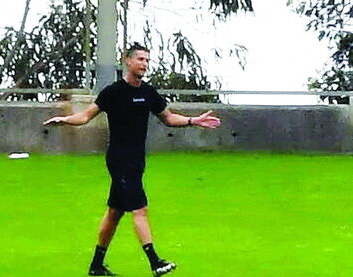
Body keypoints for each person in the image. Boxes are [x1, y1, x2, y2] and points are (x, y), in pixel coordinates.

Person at [44, 44, 221, 276]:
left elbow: (168, 118)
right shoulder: (113, 92)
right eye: (140, 59)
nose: (144, 64)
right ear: (127, 61)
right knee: (140, 209)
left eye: (147, 60)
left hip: (137, 160)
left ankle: (96, 265)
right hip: (120, 160)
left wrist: (193, 121)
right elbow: (85, 116)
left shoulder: (148, 93)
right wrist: (65, 120)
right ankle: (155, 261)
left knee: (115, 212)